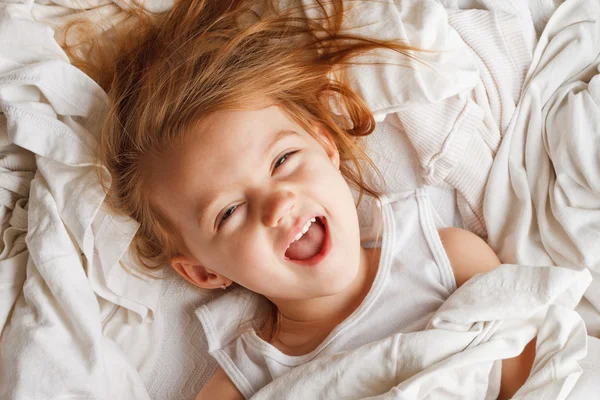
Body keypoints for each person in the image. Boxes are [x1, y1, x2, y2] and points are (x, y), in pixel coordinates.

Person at [91, 0, 536, 398]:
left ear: (326, 148)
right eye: (229, 212)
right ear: (205, 271)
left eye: (283, 159)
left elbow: (535, 375)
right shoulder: (248, 379)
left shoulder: (446, 257)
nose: (279, 204)